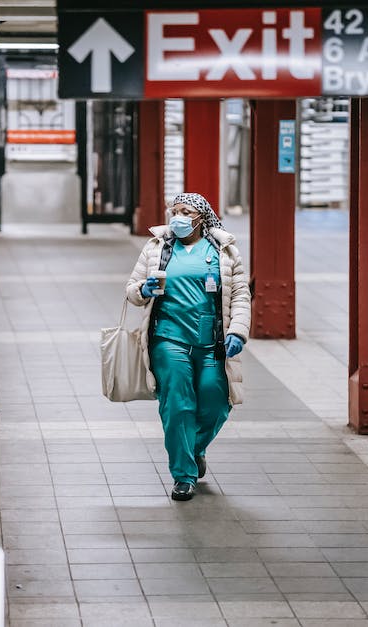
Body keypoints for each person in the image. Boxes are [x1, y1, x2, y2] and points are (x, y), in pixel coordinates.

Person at [126, 192, 251, 501]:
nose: (179, 217)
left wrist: (238, 330)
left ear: (201, 217)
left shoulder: (224, 251)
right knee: (178, 404)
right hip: (169, 339)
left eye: (186, 211)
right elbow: (132, 290)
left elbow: (239, 295)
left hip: (211, 340)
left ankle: (193, 448)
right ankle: (183, 475)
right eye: (175, 210)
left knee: (216, 398)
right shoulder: (157, 248)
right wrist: (144, 289)